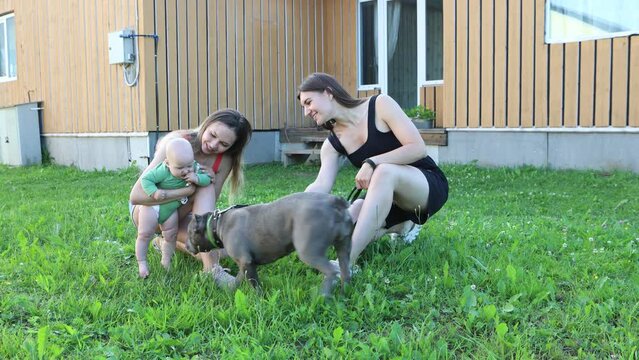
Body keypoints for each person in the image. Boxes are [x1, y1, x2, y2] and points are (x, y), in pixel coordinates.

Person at [298, 72, 448, 271]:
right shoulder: (332, 144)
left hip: (424, 185)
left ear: (328, 93)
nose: (307, 111)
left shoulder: (380, 105)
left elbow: (417, 148)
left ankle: (346, 265)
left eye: (309, 102)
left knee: (384, 172)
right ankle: (403, 225)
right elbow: (321, 185)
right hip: (386, 200)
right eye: (304, 106)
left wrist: (372, 162)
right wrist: (294, 209)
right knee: (346, 223)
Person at [129, 109, 252, 286]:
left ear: (231, 148)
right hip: (149, 212)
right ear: (206, 124)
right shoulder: (177, 144)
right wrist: (184, 191)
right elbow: (136, 196)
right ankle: (213, 269)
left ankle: (165, 243)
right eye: (212, 135)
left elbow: (206, 209)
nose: (213, 144)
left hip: (179, 214)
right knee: (205, 187)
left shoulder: (223, 161)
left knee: (219, 247)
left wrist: (202, 180)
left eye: (223, 144)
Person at [135, 137, 212, 279]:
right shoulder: (162, 171)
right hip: (152, 208)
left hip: (170, 211)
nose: (185, 171)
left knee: (171, 236)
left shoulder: (194, 168)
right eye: (180, 168)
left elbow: (207, 179)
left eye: (188, 166)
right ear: (167, 163)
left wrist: (197, 178)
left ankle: (166, 261)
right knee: (144, 234)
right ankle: (142, 263)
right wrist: (154, 192)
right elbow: (146, 180)